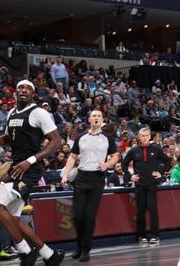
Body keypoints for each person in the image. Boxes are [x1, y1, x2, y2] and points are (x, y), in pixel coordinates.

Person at [0, 79, 65, 266]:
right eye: (20, 87)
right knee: (14, 219)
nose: (23, 90)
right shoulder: (12, 113)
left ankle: (26, 251)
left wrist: (30, 161)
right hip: (17, 167)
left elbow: (56, 141)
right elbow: (5, 140)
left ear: (33, 93)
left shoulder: (39, 112)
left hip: (30, 168)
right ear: (15, 92)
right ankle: (50, 255)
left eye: (28, 88)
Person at [60, 109, 119, 262]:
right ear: (89, 119)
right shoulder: (81, 137)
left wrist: (108, 164)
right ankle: (79, 245)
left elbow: (116, 156)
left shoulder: (107, 138)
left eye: (99, 116)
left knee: (89, 216)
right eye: (93, 116)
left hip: (97, 178)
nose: (96, 118)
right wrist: (65, 175)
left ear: (102, 119)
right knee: (77, 216)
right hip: (81, 177)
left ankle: (85, 249)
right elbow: (72, 157)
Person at [121, 127, 170, 247]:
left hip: (152, 184)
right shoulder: (133, 151)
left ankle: (155, 236)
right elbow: (124, 164)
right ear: (138, 137)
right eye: (142, 136)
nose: (144, 138)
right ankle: (141, 236)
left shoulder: (156, 149)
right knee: (140, 211)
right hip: (139, 185)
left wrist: (161, 172)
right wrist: (130, 176)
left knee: (153, 209)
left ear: (149, 137)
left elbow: (167, 161)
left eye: (146, 135)